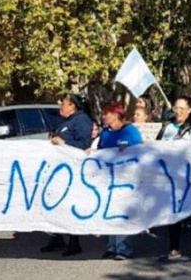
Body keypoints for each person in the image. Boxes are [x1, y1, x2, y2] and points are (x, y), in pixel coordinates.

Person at [157, 96, 191, 264]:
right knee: (174, 213)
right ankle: (174, 248)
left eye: (182, 108)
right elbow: (156, 147)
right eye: (176, 108)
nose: (178, 111)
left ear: (189, 110)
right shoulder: (167, 126)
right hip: (171, 178)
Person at [40, 93, 93, 256]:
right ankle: (57, 238)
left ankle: (74, 242)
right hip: (60, 171)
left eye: (63, 104)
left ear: (72, 106)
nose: (60, 107)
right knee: (55, 204)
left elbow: (84, 145)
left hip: (72, 172)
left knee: (68, 205)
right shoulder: (67, 121)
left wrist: (64, 143)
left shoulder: (82, 121)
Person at [93, 102, 143, 260]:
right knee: (110, 211)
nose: (103, 116)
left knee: (122, 212)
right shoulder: (105, 133)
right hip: (108, 178)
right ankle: (112, 246)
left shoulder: (130, 131)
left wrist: (127, 151)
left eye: (105, 113)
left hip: (126, 178)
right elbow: (101, 151)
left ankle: (124, 248)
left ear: (115, 115)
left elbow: (140, 151)